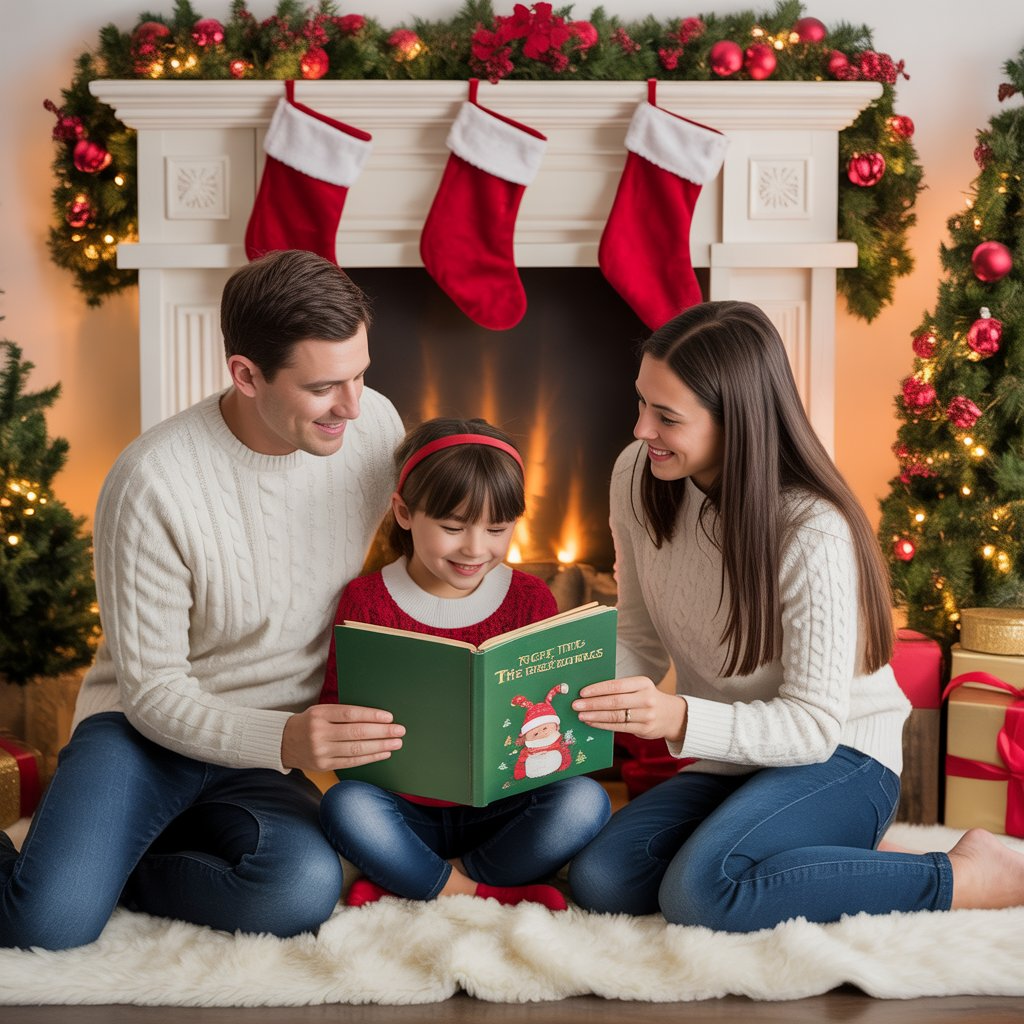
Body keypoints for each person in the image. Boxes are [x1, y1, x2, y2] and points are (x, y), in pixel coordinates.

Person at [568, 299, 1024, 932]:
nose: (642, 429)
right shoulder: (636, 475)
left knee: (703, 893)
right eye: (641, 402)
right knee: (602, 879)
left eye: (666, 416)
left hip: (838, 755)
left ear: (738, 422)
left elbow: (811, 727)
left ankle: (966, 875)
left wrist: (675, 716)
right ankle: (820, 859)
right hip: (739, 757)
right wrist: (561, 692)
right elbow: (640, 637)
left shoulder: (810, 528)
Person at [0, 250, 406, 950]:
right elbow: (153, 692)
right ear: (246, 375)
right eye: (324, 388)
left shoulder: (373, 431)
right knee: (46, 924)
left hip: (261, 752)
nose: (353, 406)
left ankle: (114, 863)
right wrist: (286, 739)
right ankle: (75, 864)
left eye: (361, 375)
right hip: (140, 733)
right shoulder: (154, 481)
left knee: (301, 888)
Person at [318, 417, 611, 911]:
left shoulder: (530, 598)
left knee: (584, 802)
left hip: (503, 810)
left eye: (497, 529)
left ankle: (423, 880)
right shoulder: (366, 600)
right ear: (405, 514)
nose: (476, 549)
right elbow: (335, 708)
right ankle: (485, 891)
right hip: (401, 809)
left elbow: (557, 715)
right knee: (345, 808)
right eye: (453, 528)